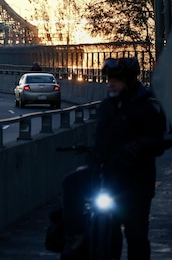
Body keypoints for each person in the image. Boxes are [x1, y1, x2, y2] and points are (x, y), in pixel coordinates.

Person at [60, 57, 166, 260]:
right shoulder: (106, 107)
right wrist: (91, 159)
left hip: (135, 183)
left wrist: (136, 147)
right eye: (108, 79)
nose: (110, 83)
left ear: (129, 81)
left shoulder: (146, 109)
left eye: (116, 80)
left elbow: (156, 141)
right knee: (71, 183)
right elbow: (100, 138)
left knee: (136, 235)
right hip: (106, 175)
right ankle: (76, 236)